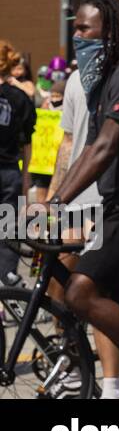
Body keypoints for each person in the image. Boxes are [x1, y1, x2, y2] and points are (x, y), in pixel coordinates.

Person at [40, 0, 119, 397]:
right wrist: (55, 201)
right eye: (74, 28)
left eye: (84, 29)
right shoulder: (108, 79)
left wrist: (56, 205)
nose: (76, 35)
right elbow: (86, 150)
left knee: (81, 291)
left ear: (109, 31)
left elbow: (104, 149)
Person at [0, 40, 37, 286]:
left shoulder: (19, 96)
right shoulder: (20, 97)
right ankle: (7, 279)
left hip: (9, 171)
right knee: (8, 225)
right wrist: (26, 181)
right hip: (10, 170)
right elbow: (27, 142)